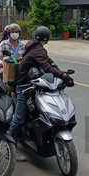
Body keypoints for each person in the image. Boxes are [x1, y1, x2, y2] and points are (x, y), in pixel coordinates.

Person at [9, 26, 74, 161]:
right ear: (47, 38)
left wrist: (62, 74)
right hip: (24, 87)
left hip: (35, 84)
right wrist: (63, 75)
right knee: (19, 119)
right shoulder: (37, 50)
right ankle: (10, 149)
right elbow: (46, 67)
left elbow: (49, 62)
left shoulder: (36, 48)